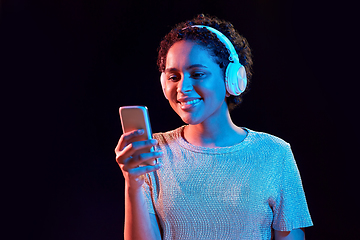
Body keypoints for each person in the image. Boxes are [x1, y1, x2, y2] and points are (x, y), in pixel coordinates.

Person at [115, 14, 313, 240]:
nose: (182, 88)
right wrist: (133, 183)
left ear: (232, 80)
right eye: (173, 76)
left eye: (197, 74)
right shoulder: (152, 151)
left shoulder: (275, 154)